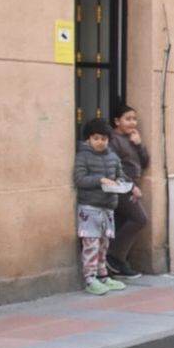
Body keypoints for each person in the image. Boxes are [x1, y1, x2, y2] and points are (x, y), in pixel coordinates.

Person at [74, 118, 129, 296]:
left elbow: (121, 175)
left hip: (108, 207)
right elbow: (80, 179)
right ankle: (90, 278)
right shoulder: (83, 156)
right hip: (90, 207)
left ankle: (103, 274)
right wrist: (100, 180)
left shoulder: (113, 157)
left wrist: (121, 183)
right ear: (88, 139)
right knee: (91, 244)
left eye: (104, 139)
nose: (100, 142)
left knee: (104, 244)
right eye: (96, 138)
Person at [106, 102, 150, 279]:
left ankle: (117, 262)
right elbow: (114, 167)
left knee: (123, 223)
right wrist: (129, 186)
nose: (132, 123)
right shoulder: (113, 141)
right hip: (122, 188)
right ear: (117, 121)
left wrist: (139, 145)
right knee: (140, 219)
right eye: (128, 119)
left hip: (132, 187)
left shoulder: (132, 138)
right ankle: (114, 257)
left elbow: (145, 162)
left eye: (134, 119)